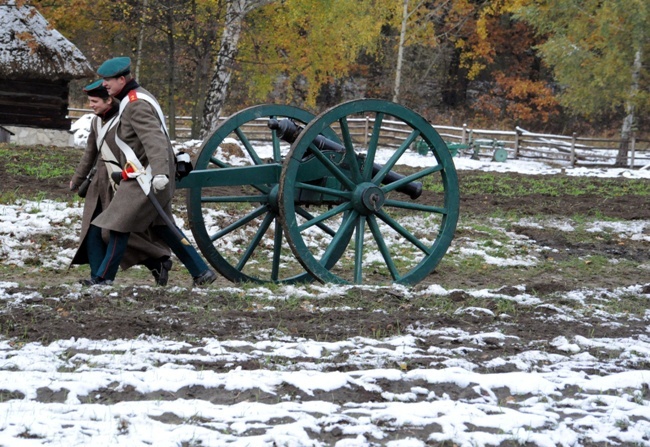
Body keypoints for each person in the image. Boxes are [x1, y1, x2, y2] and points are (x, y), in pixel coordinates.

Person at [88, 56, 217, 287]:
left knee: (117, 224)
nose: (104, 84)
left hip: (146, 175)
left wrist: (159, 173)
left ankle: (102, 278)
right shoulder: (132, 98)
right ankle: (201, 272)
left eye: (108, 80)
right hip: (145, 173)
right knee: (164, 227)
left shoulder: (136, 103)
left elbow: (154, 139)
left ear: (121, 79)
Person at [70, 80, 174, 286]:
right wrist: (78, 178)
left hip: (119, 183)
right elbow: (89, 154)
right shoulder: (96, 122)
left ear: (109, 100)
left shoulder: (124, 119)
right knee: (92, 233)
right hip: (97, 185)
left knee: (117, 234)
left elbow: (145, 147)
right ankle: (97, 277)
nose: (91, 105)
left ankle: (157, 260)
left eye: (95, 101)